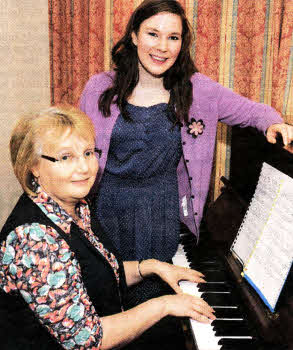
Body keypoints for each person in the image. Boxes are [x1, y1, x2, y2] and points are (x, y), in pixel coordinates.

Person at [79, 0, 293, 307]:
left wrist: (272, 122)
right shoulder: (99, 87)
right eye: (153, 34)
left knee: (153, 307)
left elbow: (251, 111)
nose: (162, 46)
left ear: (182, 43)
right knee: (104, 300)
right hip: (106, 212)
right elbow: (73, 147)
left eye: (173, 37)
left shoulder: (198, 90)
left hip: (160, 217)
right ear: (134, 36)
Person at [0, 105, 216, 350]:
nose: (84, 167)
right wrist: (164, 305)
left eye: (88, 153)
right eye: (65, 157)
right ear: (33, 167)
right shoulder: (34, 239)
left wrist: (150, 266)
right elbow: (87, 339)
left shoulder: (76, 207)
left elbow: (91, 273)